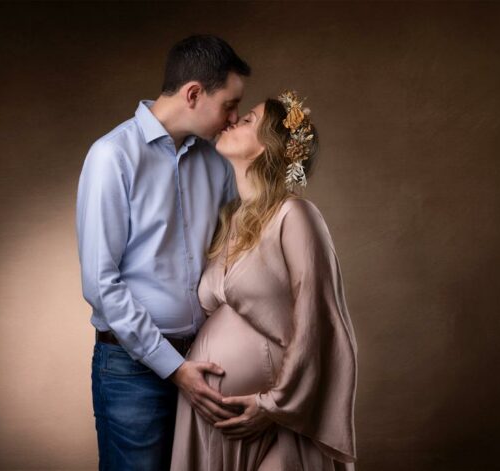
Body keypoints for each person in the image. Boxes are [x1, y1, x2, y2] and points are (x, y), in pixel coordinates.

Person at [76, 35, 250, 469]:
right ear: (193, 93)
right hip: (131, 371)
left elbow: (235, 258)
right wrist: (173, 368)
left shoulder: (217, 164)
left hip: (209, 363)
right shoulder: (111, 156)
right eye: (229, 105)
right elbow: (101, 284)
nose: (233, 119)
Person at [170, 91, 357, 470]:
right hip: (211, 422)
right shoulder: (230, 222)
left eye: (248, 120)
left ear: (266, 147)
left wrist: (274, 404)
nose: (233, 121)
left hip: (277, 419)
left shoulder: (295, 214)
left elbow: (316, 318)